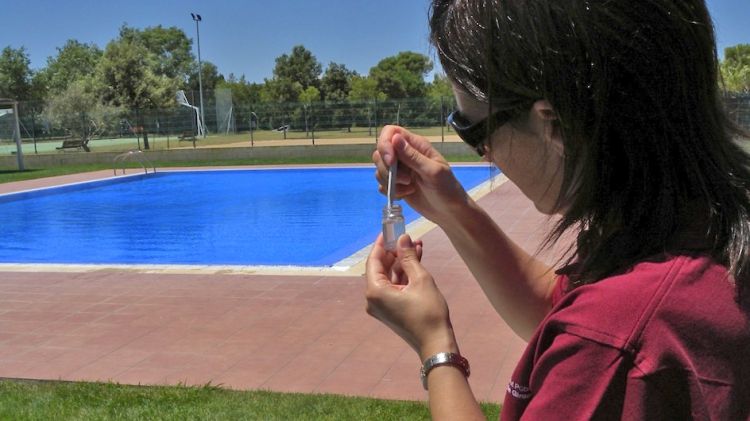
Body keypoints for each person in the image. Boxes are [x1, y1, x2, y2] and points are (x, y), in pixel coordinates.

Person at [365, 0, 750, 419]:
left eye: (474, 128)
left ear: (555, 124)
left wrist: (435, 345)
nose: (483, 155)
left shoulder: (616, 339)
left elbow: (601, 330)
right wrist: (453, 208)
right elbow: (561, 309)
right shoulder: (695, 230)